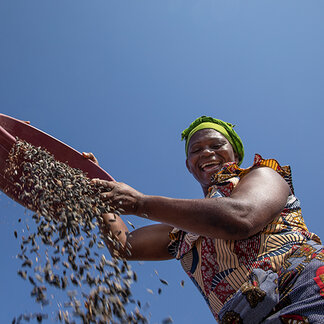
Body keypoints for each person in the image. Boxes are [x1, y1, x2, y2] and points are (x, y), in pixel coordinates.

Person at [84, 116, 324, 323]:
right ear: (189, 165)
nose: (207, 152)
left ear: (236, 154)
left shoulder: (263, 175)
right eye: (196, 150)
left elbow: (242, 216)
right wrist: (96, 188)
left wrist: (141, 203)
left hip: (304, 292)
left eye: (216, 145)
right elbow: (124, 245)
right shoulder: (184, 231)